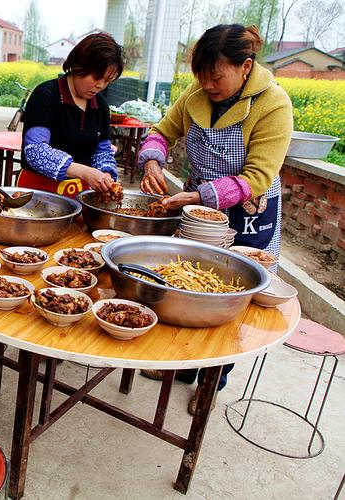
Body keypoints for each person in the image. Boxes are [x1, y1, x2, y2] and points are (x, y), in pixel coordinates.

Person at [137, 24, 293, 414]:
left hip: (248, 212)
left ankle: (213, 378)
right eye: (201, 75)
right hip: (197, 208)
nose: (207, 84)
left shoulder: (273, 103)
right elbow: (162, 130)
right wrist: (153, 158)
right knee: (188, 286)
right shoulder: (197, 93)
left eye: (216, 75)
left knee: (232, 298)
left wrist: (201, 194)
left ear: (245, 66)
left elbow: (258, 177)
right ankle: (184, 366)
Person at [17, 33, 124, 198]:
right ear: (78, 65)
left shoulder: (100, 105)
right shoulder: (46, 95)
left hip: (80, 195)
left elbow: (102, 150)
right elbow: (35, 151)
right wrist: (84, 172)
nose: (100, 85)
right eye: (96, 77)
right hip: (37, 193)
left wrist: (106, 176)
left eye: (107, 80)